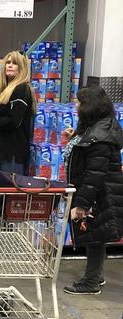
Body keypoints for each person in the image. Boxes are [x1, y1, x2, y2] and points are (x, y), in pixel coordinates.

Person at [62, 87, 123, 295]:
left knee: (94, 237)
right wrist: (75, 140)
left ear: (90, 106)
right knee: (97, 236)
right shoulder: (97, 127)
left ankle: (91, 283)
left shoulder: (100, 135)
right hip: (100, 192)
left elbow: (94, 174)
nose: (76, 106)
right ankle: (97, 276)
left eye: (79, 102)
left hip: (99, 194)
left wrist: (82, 204)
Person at [0, 51, 35, 174]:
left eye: (15, 63)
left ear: (22, 68)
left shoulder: (22, 89)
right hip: (1, 150)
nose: (10, 65)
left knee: (9, 189)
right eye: (8, 62)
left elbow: (13, 121)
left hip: (12, 152)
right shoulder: (5, 89)